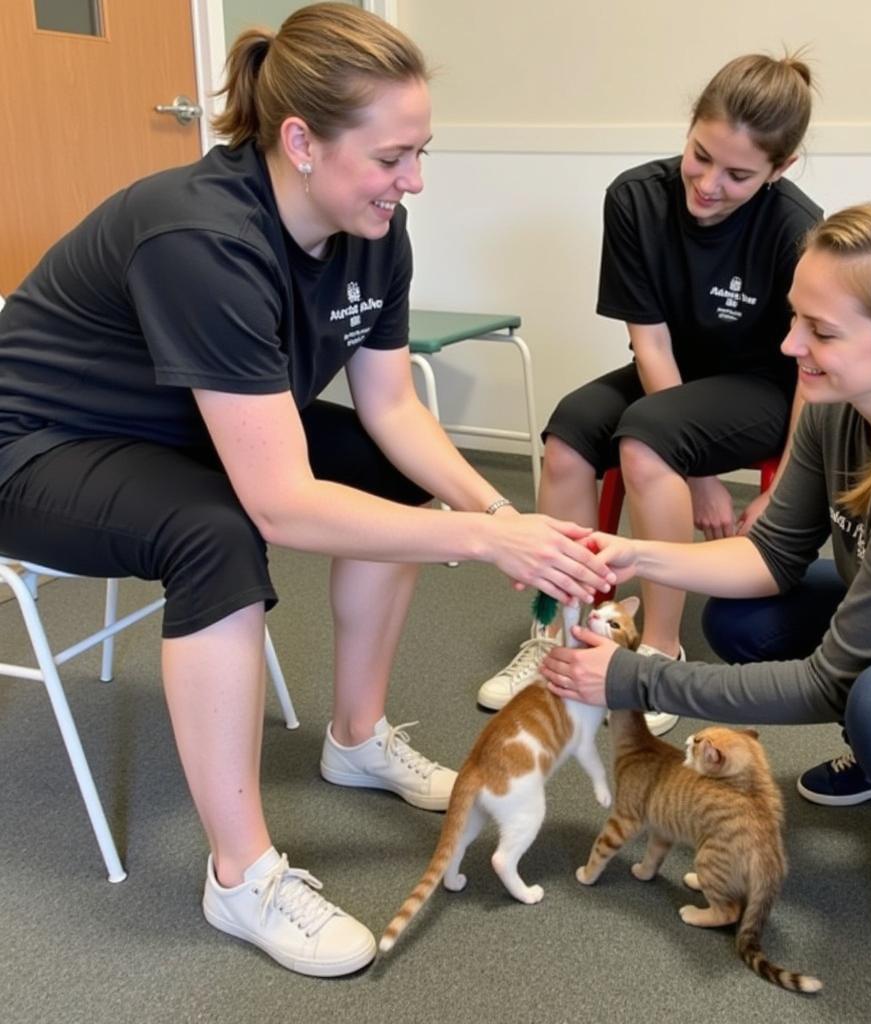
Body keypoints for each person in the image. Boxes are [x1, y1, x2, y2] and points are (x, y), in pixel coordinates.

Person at [0, 4, 612, 977]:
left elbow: (392, 411)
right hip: (40, 445)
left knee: (382, 476)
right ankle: (240, 876)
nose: (412, 180)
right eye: (391, 156)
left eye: (421, 151)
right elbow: (279, 502)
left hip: (181, 423)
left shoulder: (375, 229)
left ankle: (357, 739)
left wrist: (497, 512)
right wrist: (488, 542)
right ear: (299, 141)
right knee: (216, 535)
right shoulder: (201, 236)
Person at [541, 197, 871, 965]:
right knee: (741, 621)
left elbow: (830, 685)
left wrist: (635, 679)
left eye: (822, 331)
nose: (791, 343)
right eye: (795, 316)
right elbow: (769, 555)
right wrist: (633, 552)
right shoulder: (844, 404)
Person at [476, 53, 822, 736]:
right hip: (670, 373)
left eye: (739, 174)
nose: (710, 184)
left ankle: (660, 652)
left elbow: (814, 372)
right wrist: (699, 478)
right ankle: (562, 633)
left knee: (646, 440)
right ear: (690, 128)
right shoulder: (634, 197)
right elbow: (651, 346)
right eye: (700, 156)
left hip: (764, 387)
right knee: (569, 435)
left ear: (778, 170)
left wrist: (765, 492)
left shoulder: (796, 228)